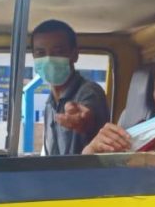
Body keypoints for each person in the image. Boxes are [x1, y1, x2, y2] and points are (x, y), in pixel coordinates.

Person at [31, 19, 109, 155]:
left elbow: (87, 117)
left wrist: (83, 121)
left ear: (74, 55)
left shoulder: (89, 92)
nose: (49, 60)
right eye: (41, 53)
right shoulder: (50, 104)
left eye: (58, 52)